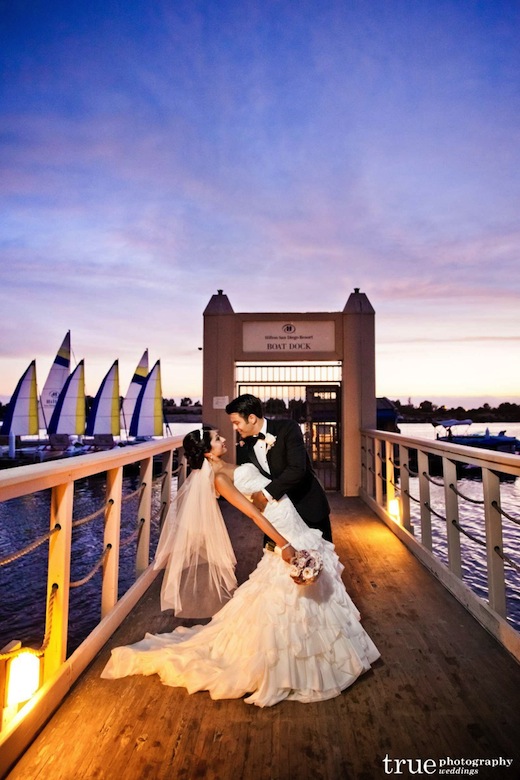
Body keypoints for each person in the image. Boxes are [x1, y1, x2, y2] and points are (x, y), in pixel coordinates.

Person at [101, 428, 380, 707]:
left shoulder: (228, 464)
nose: (223, 438)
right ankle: (301, 663)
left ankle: (325, 650)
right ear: (208, 451)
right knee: (285, 594)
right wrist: (283, 545)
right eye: (216, 438)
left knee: (308, 588)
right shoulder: (219, 479)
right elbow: (251, 512)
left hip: (291, 518)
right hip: (281, 529)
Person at [226, 393, 333, 543]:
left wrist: (264, 494)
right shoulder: (245, 446)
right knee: (278, 559)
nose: (235, 427)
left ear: (251, 418)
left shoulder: (288, 428)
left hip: (308, 507)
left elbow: (297, 469)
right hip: (278, 515)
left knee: (322, 558)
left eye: (237, 423)